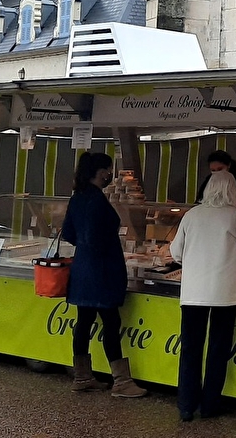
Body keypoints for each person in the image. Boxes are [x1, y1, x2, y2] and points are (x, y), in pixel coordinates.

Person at [169, 170, 236, 422]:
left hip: (193, 292)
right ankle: (210, 404)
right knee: (218, 349)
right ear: (234, 191)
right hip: (225, 293)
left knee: (190, 349)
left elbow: (175, 253)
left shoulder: (191, 215)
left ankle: (186, 405)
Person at [60, 151, 147, 398]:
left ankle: (82, 376)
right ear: (101, 172)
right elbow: (97, 236)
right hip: (102, 270)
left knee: (84, 323)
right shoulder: (97, 200)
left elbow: (68, 233)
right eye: (109, 169)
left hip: (82, 269)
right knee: (111, 323)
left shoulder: (78, 197)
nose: (110, 174)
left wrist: (85, 247)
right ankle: (121, 382)